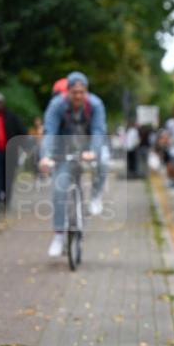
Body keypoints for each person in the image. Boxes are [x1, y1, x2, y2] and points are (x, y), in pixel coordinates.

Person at [38, 71, 107, 257]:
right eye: (74, 92)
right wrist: (46, 156)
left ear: (86, 92)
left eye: (81, 92)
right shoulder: (57, 105)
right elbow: (49, 132)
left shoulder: (95, 105)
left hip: (88, 147)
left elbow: (99, 131)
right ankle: (59, 235)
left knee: (104, 159)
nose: (78, 95)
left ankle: (95, 196)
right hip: (64, 150)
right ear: (67, 92)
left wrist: (93, 151)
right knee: (59, 189)